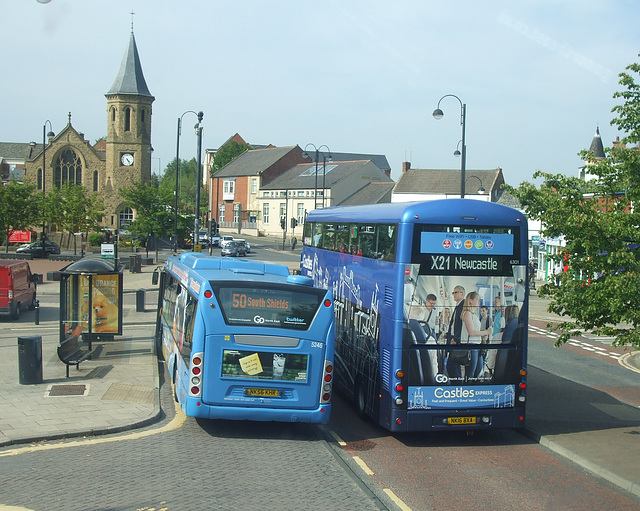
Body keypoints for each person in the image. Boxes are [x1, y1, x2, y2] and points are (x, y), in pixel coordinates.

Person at [460, 291, 492, 380]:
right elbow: (471, 332)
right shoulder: (467, 314)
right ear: (470, 300)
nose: (479, 302)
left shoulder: (474, 315)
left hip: (477, 345)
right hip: (471, 346)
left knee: (478, 371)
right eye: (477, 300)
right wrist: (486, 332)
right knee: (470, 373)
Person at [445, 285, 466, 380]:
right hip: (453, 339)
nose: (454, 294)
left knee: (452, 365)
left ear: (462, 294)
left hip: (456, 341)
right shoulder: (458, 307)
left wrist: (456, 339)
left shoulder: (462, 307)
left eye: (456, 292)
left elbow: (461, 325)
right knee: (454, 365)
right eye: (453, 293)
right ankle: (457, 383)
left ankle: (456, 385)